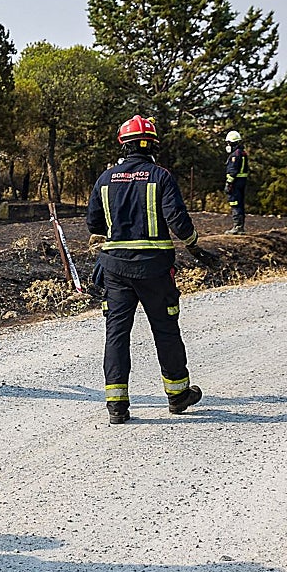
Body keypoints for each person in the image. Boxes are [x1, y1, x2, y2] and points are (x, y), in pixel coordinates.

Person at [86, 115, 218, 425]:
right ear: (153, 145)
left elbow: (94, 225)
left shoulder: (105, 179)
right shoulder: (161, 176)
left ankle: (116, 405)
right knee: (166, 330)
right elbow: (178, 220)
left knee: (117, 334)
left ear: (124, 145)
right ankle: (177, 396)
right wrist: (195, 246)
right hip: (156, 269)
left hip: (115, 269)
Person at [224, 129, 249, 234]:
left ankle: (237, 227)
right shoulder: (242, 153)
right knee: (240, 203)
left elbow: (233, 170)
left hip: (235, 182)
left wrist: (229, 183)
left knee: (234, 203)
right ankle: (240, 226)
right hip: (242, 181)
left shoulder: (235, 155)